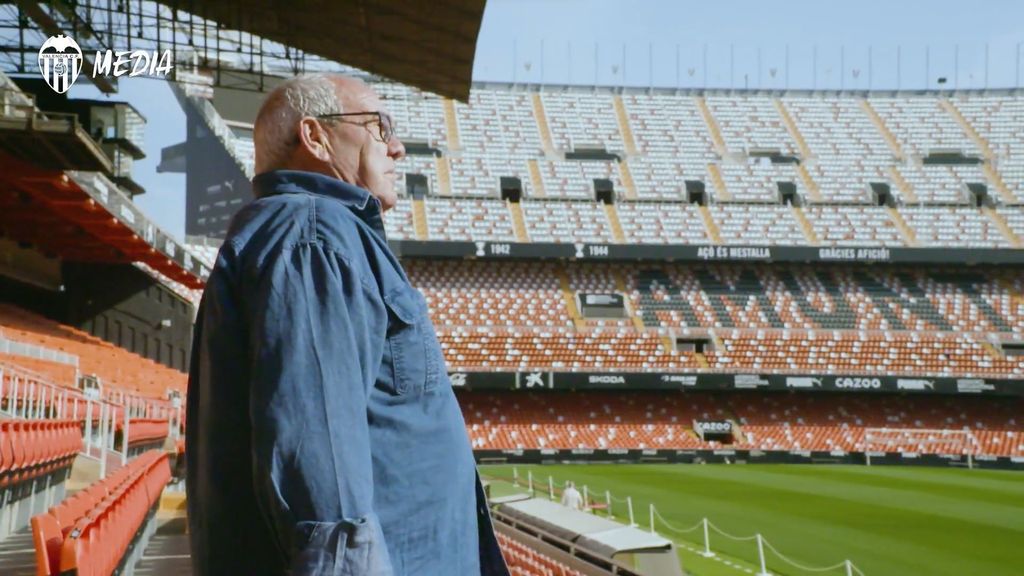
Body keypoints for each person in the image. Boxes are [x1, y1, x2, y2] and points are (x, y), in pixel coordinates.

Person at [186, 73, 510, 576]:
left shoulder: (311, 233)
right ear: (315, 137)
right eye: (380, 126)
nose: (397, 147)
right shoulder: (312, 233)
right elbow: (322, 475)